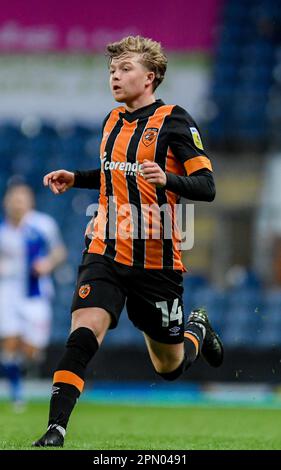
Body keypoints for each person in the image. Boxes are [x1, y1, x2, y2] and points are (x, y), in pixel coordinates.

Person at [33, 36, 223, 447]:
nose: (115, 77)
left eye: (125, 69)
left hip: (156, 261)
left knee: (168, 367)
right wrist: (77, 177)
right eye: (112, 71)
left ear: (150, 77)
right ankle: (56, 428)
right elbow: (113, 174)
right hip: (106, 249)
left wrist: (168, 179)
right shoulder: (112, 121)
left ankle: (196, 329)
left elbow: (207, 186)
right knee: (84, 333)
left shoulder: (176, 121)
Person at [0, 183, 67, 407]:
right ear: (6, 202)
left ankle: (23, 365)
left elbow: (59, 252)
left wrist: (47, 264)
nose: (17, 203)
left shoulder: (43, 225)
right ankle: (17, 393)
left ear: (30, 203)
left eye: (22, 199)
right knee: (9, 341)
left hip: (36, 292)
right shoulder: (2, 230)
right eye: (13, 199)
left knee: (32, 350)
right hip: (7, 291)